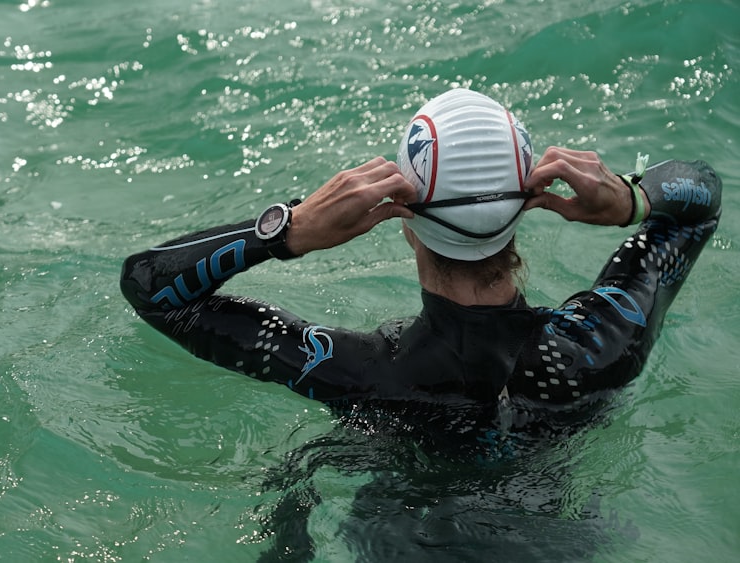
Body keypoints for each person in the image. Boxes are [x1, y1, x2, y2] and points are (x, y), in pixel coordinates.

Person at [119, 88, 722, 436]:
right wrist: (631, 199)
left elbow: (150, 287)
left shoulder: (357, 374)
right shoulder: (601, 345)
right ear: (524, 211)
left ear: (406, 215)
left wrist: (287, 232)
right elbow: (699, 201)